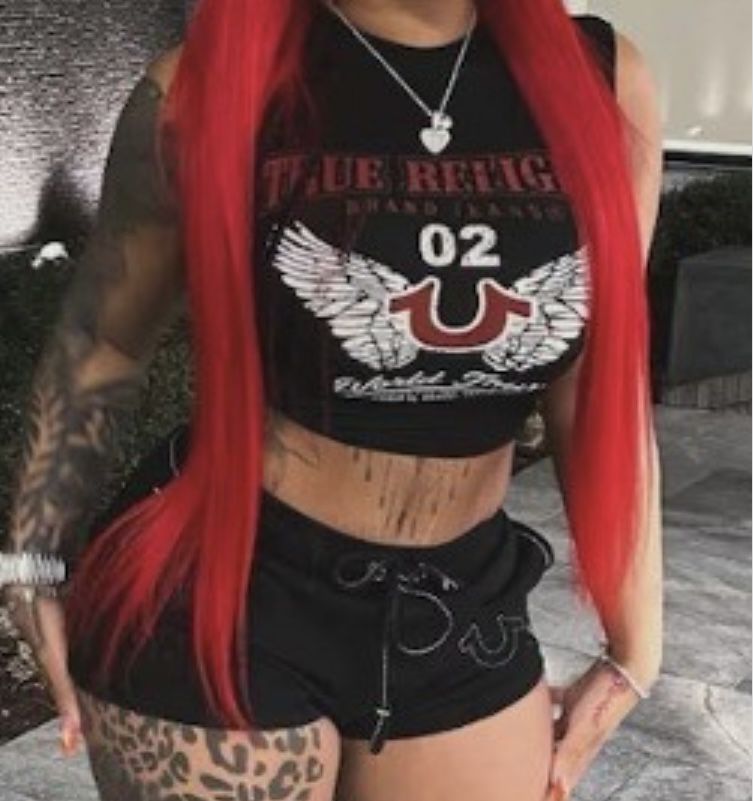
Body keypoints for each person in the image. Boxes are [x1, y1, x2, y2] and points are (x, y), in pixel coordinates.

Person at [0, 0, 664, 798]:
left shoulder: (598, 83)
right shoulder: (203, 89)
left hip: (460, 601)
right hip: (222, 592)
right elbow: (103, 339)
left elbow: (596, 375)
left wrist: (637, 644)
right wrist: (31, 559)